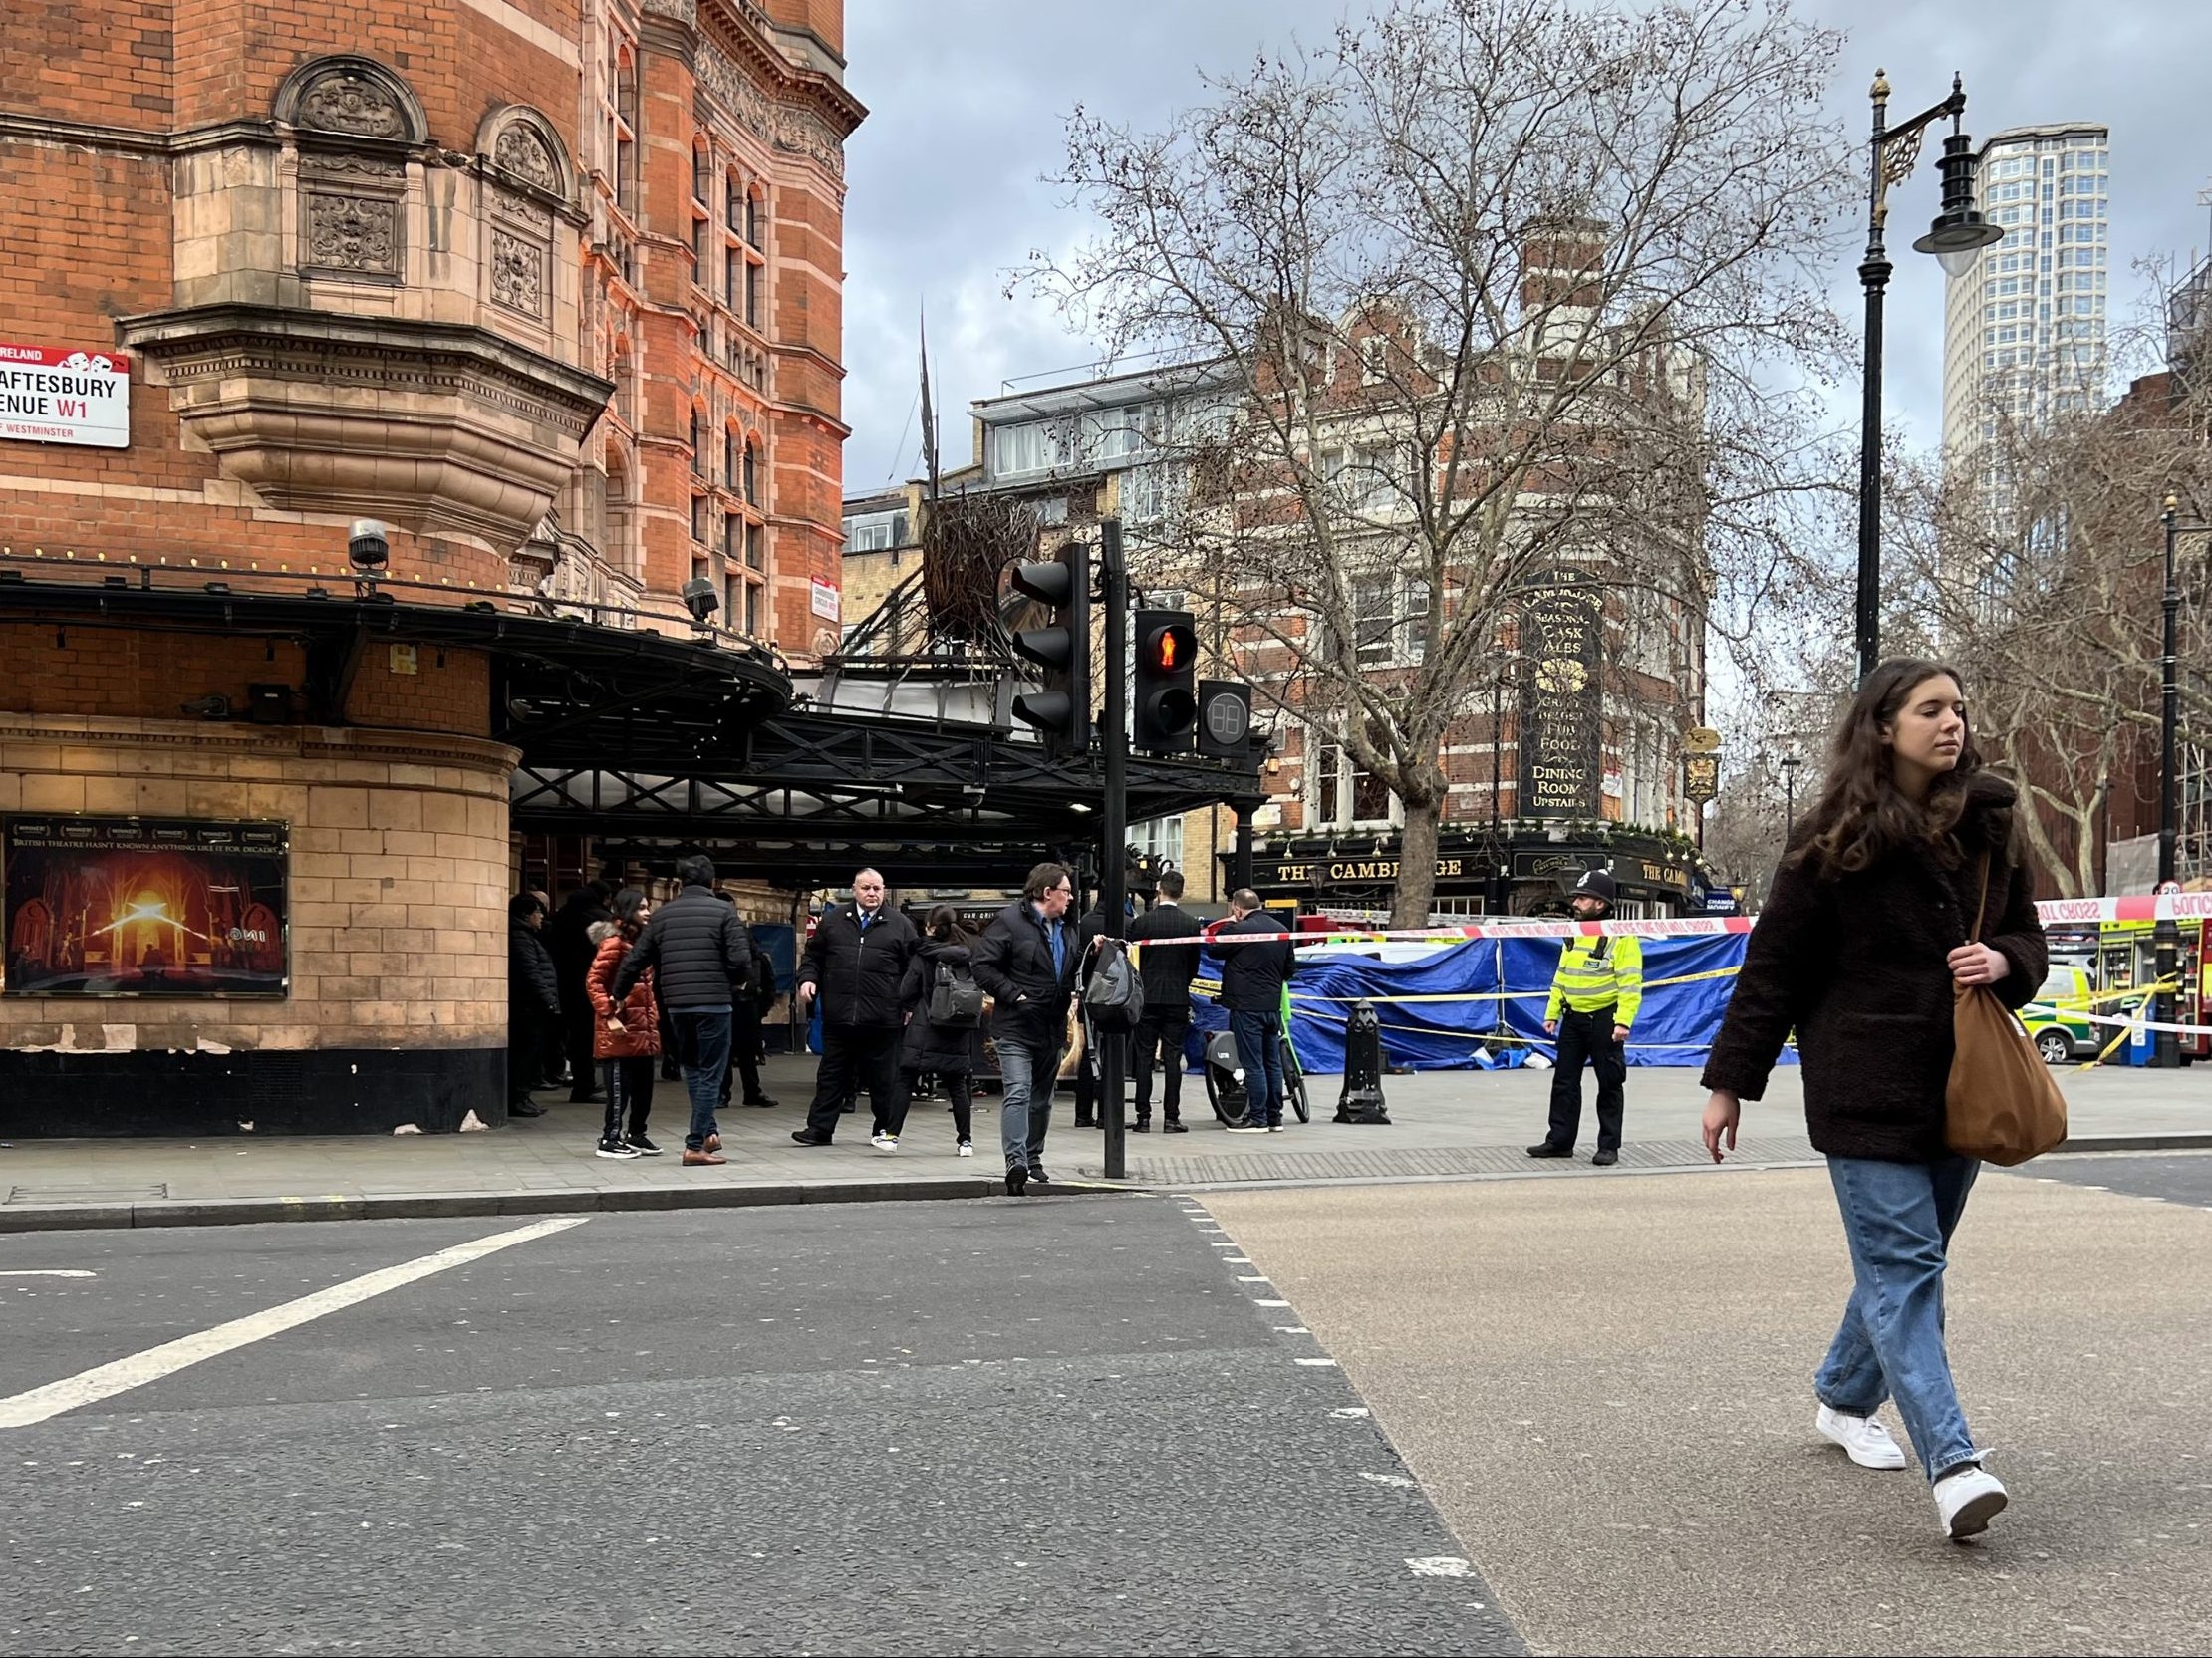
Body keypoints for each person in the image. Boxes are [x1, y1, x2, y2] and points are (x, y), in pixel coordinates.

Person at [1700, 658, 2046, 1543]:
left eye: (1960, 708)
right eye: (1931, 710)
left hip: (1961, 1087)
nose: (1952, 723)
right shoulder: (1832, 837)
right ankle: (1955, 1465)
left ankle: (1843, 1396)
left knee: (1909, 1264)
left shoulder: (1993, 825)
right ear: (1883, 727)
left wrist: (2004, 963)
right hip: (1863, 1088)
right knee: (1905, 1268)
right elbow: (1773, 969)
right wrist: (1730, 1081)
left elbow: (2028, 941)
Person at [612, 855, 754, 1167]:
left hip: (676, 1004)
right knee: (712, 1073)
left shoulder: (663, 916)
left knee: (692, 1067)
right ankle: (694, 1145)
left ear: (678, 884)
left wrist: (619, 994)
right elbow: (742, 959)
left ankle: (709, 1132)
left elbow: (635, 959)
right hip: (715, 1004)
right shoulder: (724, 911)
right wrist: (735, 983)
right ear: (712, 882)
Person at [790, 870, 918, 1150]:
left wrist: (908, 1004)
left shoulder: (900, 924)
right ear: (854, 889)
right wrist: (808, 979)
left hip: (883, 1018)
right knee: (831, 1075)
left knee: (884, 1080)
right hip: (840, 1015)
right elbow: (814, 956)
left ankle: (884, 1129)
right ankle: (819, 1129)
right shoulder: (834, 920)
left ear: (883, 890)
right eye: (866, 888)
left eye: (876, 888)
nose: (872, 893)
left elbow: (914, 969)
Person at [972, 862, 1079, 1194]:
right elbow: (982, 965)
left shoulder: (1067, 927)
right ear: (1048, 893)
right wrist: (1014, 995)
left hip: (1051, 1026)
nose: (1071, 897)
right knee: (1018, 1092)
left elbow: (1071, 968)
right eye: (1066, 891)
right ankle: (1015, 1161)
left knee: (1042, 1100)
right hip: (1015, 1026)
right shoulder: (1010, 922)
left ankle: (1033, 1158)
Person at [1529, 868, 1644, 1167]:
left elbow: (1631, 983)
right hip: (1573, 1018)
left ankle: (1608, 1146)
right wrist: (1552, 1013)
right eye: (1577, 897)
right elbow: (1561, 976)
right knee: (1564, 1082)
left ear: (1601, 904)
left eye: (1583, 898)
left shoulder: (1621, 937)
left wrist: (1623, 1021)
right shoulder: (1574, 932)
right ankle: (1560, 1141)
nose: (1576, 903)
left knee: (1609, 1084)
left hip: (1605, 1019)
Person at [897, 905, 981, 1157]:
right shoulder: (970, 952)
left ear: (931, 926)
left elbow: (906, 990)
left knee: (905, 1078)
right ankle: (965, 1141)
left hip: (926, 1023)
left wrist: (909, 1005)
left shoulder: (924, 953)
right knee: (958, 1085)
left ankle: (890, 1135)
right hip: (959, 1025)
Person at [585, 889, 660, 1159]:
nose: (647, 912)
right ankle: (609, 1138)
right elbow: (594, 982)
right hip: (619, 1029)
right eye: (641, 907)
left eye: (647, 906)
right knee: (619, 1088)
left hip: (642, 1027)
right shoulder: (613, 942)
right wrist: (609, 1016)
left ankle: (636, 1134)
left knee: (643, 1087)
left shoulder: (639, 942)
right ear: (627, 911)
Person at [1212, 888, 1295, 1132]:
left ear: (1237, 908)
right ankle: (1274, 1117)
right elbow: (1290, 970)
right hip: (1272, 1007)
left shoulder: (1238, 929)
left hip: (1246, 1007)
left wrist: (1229, 923)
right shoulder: (1282, 931)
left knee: (1253, 1064)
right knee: (1273, 1063)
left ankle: (1257, 1118)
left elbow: (1215, 949)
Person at [1128, 870, 1202, 1133]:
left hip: (1147, 998)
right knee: (1173, 1058)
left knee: (1144, 1058)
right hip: (1177, 998)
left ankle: (1143, 1118)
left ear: (1159, 890)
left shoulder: (1143, 923)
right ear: (1180, 893)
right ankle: (1171, 1118)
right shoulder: (1191, 924)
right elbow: (1194, 964)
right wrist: (1182, 983)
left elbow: (1134, 961)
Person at [547, 879, 614, 1104]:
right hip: (591, 983)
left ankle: (580, 1083)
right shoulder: (598, 917)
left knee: (575, 1036)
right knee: (590, 1035)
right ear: (605, 897)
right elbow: (609, 952)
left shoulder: (563, 914)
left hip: (565, 983)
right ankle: (586, 1085)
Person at [712, 897, 778, 1111]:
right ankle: (723, 1093)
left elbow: (760, 966)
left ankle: (752, 1092)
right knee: (725, 1050)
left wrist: (761, 1001)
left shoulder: (743, 933)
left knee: (748, 1051)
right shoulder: (715, 934)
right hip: (725, 1000)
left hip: (747, 1002)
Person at [506, 893, 559, 1119]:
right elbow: (531, 971)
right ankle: (519, 1098)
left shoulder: (527, 935)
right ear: (526, 914)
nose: (541, 916)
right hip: (527, 1005)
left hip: (530, 1004)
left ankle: (522, 1097)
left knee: (529, 1052)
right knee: (525, 1053)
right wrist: (548, 999)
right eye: (538, 912)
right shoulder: (521, 937)